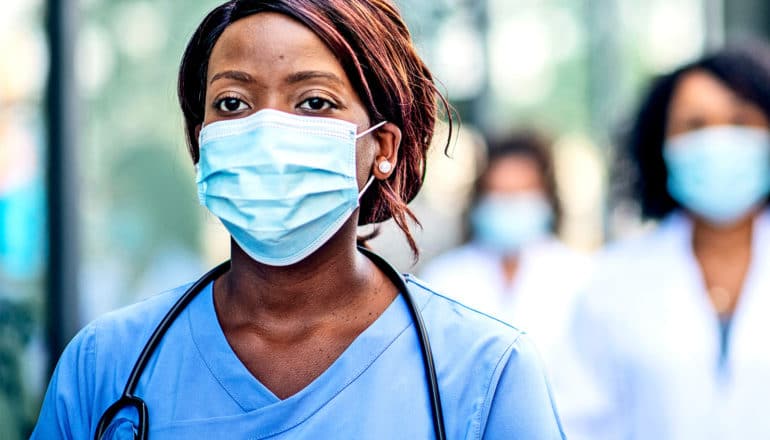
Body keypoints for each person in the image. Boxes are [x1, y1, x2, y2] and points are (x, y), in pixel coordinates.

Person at [31, 1, 565, 439]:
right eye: (233, 103)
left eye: (313, 102)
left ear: (382, 147)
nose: (267, 131)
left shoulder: (484, 372)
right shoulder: (106, 366)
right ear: (202, 142)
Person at [560, 42, 770, 439]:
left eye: (740, 122)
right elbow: (579, 423)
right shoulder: (614, 283)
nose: (718, 142)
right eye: (695, 125)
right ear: (662, 146)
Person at [420, 132, 591, 367]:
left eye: (522, 194)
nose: (510, 206)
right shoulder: (443, 279)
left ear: (547, 198)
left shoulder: (580, 277)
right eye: (499, 193)